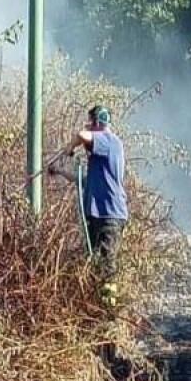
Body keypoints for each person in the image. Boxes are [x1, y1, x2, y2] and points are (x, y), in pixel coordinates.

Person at [49, 105, 129, 307]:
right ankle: (96, 306)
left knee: (106, 265)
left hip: (109, 215)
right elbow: (84, 180)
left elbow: (81, 135)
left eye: (90, 123)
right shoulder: (100, 158)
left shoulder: (110, 141)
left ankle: (108, 310)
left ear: (97, 123)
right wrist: (59, 171)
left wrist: (70, 148)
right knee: (94, 263)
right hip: (97, 215)